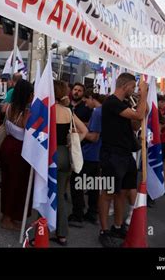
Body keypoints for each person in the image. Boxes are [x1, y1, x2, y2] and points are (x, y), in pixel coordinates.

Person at [98, 73, 148, 248]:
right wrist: (144, 96)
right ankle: (104, 231)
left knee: (124, 192)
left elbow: (136, 122)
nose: (134, 90)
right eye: (133, 87)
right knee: (108, 193)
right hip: (112, 154)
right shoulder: (111, 102)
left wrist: (142, 104)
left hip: (126, 154)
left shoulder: (125, 104)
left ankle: (117, 226)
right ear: (126, 85)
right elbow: (137, 115)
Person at [54, 80, 88, 245]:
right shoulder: (68, 111)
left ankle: (42, 230)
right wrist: (73, 142)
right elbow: (84, 131)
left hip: (49, 155)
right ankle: (62, 234)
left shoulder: (45, 110)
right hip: (65, 155)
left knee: (45, 192)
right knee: (60, 194)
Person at [0, 80, 33, 230]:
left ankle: (6, 214)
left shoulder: (8, 107)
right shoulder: (26, 113)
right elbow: (30, 131)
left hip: (7, 145)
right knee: (16, 184)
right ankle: (8, 218)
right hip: (18, 150)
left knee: (8, 182)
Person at [69, 90, 104, 227]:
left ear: (91, 98)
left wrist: (75, 132)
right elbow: (92, 126)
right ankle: (92, 213)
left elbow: (94, 137)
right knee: (93, 186)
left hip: (89, 154)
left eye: (86, 100)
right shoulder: (104, 111)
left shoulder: (96, 112)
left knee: (76, 183)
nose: (85, 103)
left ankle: (77, 215)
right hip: (99, 155)